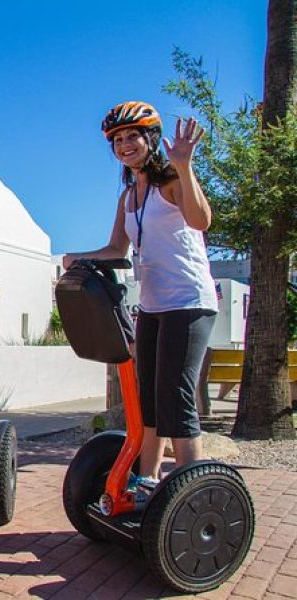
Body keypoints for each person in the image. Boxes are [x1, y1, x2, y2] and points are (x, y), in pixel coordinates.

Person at [63, 101, 218, 498]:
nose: (125, 144)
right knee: (147, 399)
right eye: (117, 139)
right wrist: (77, 257)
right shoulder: (129, 197)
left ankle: (192, 490)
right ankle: (146, 483)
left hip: (189, 301)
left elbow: (201, 220)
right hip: (152, 305)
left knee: (175, 394)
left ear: (150, 138)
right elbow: (117, 248)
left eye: (133, 135)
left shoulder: (171, 181)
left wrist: (184, 165)